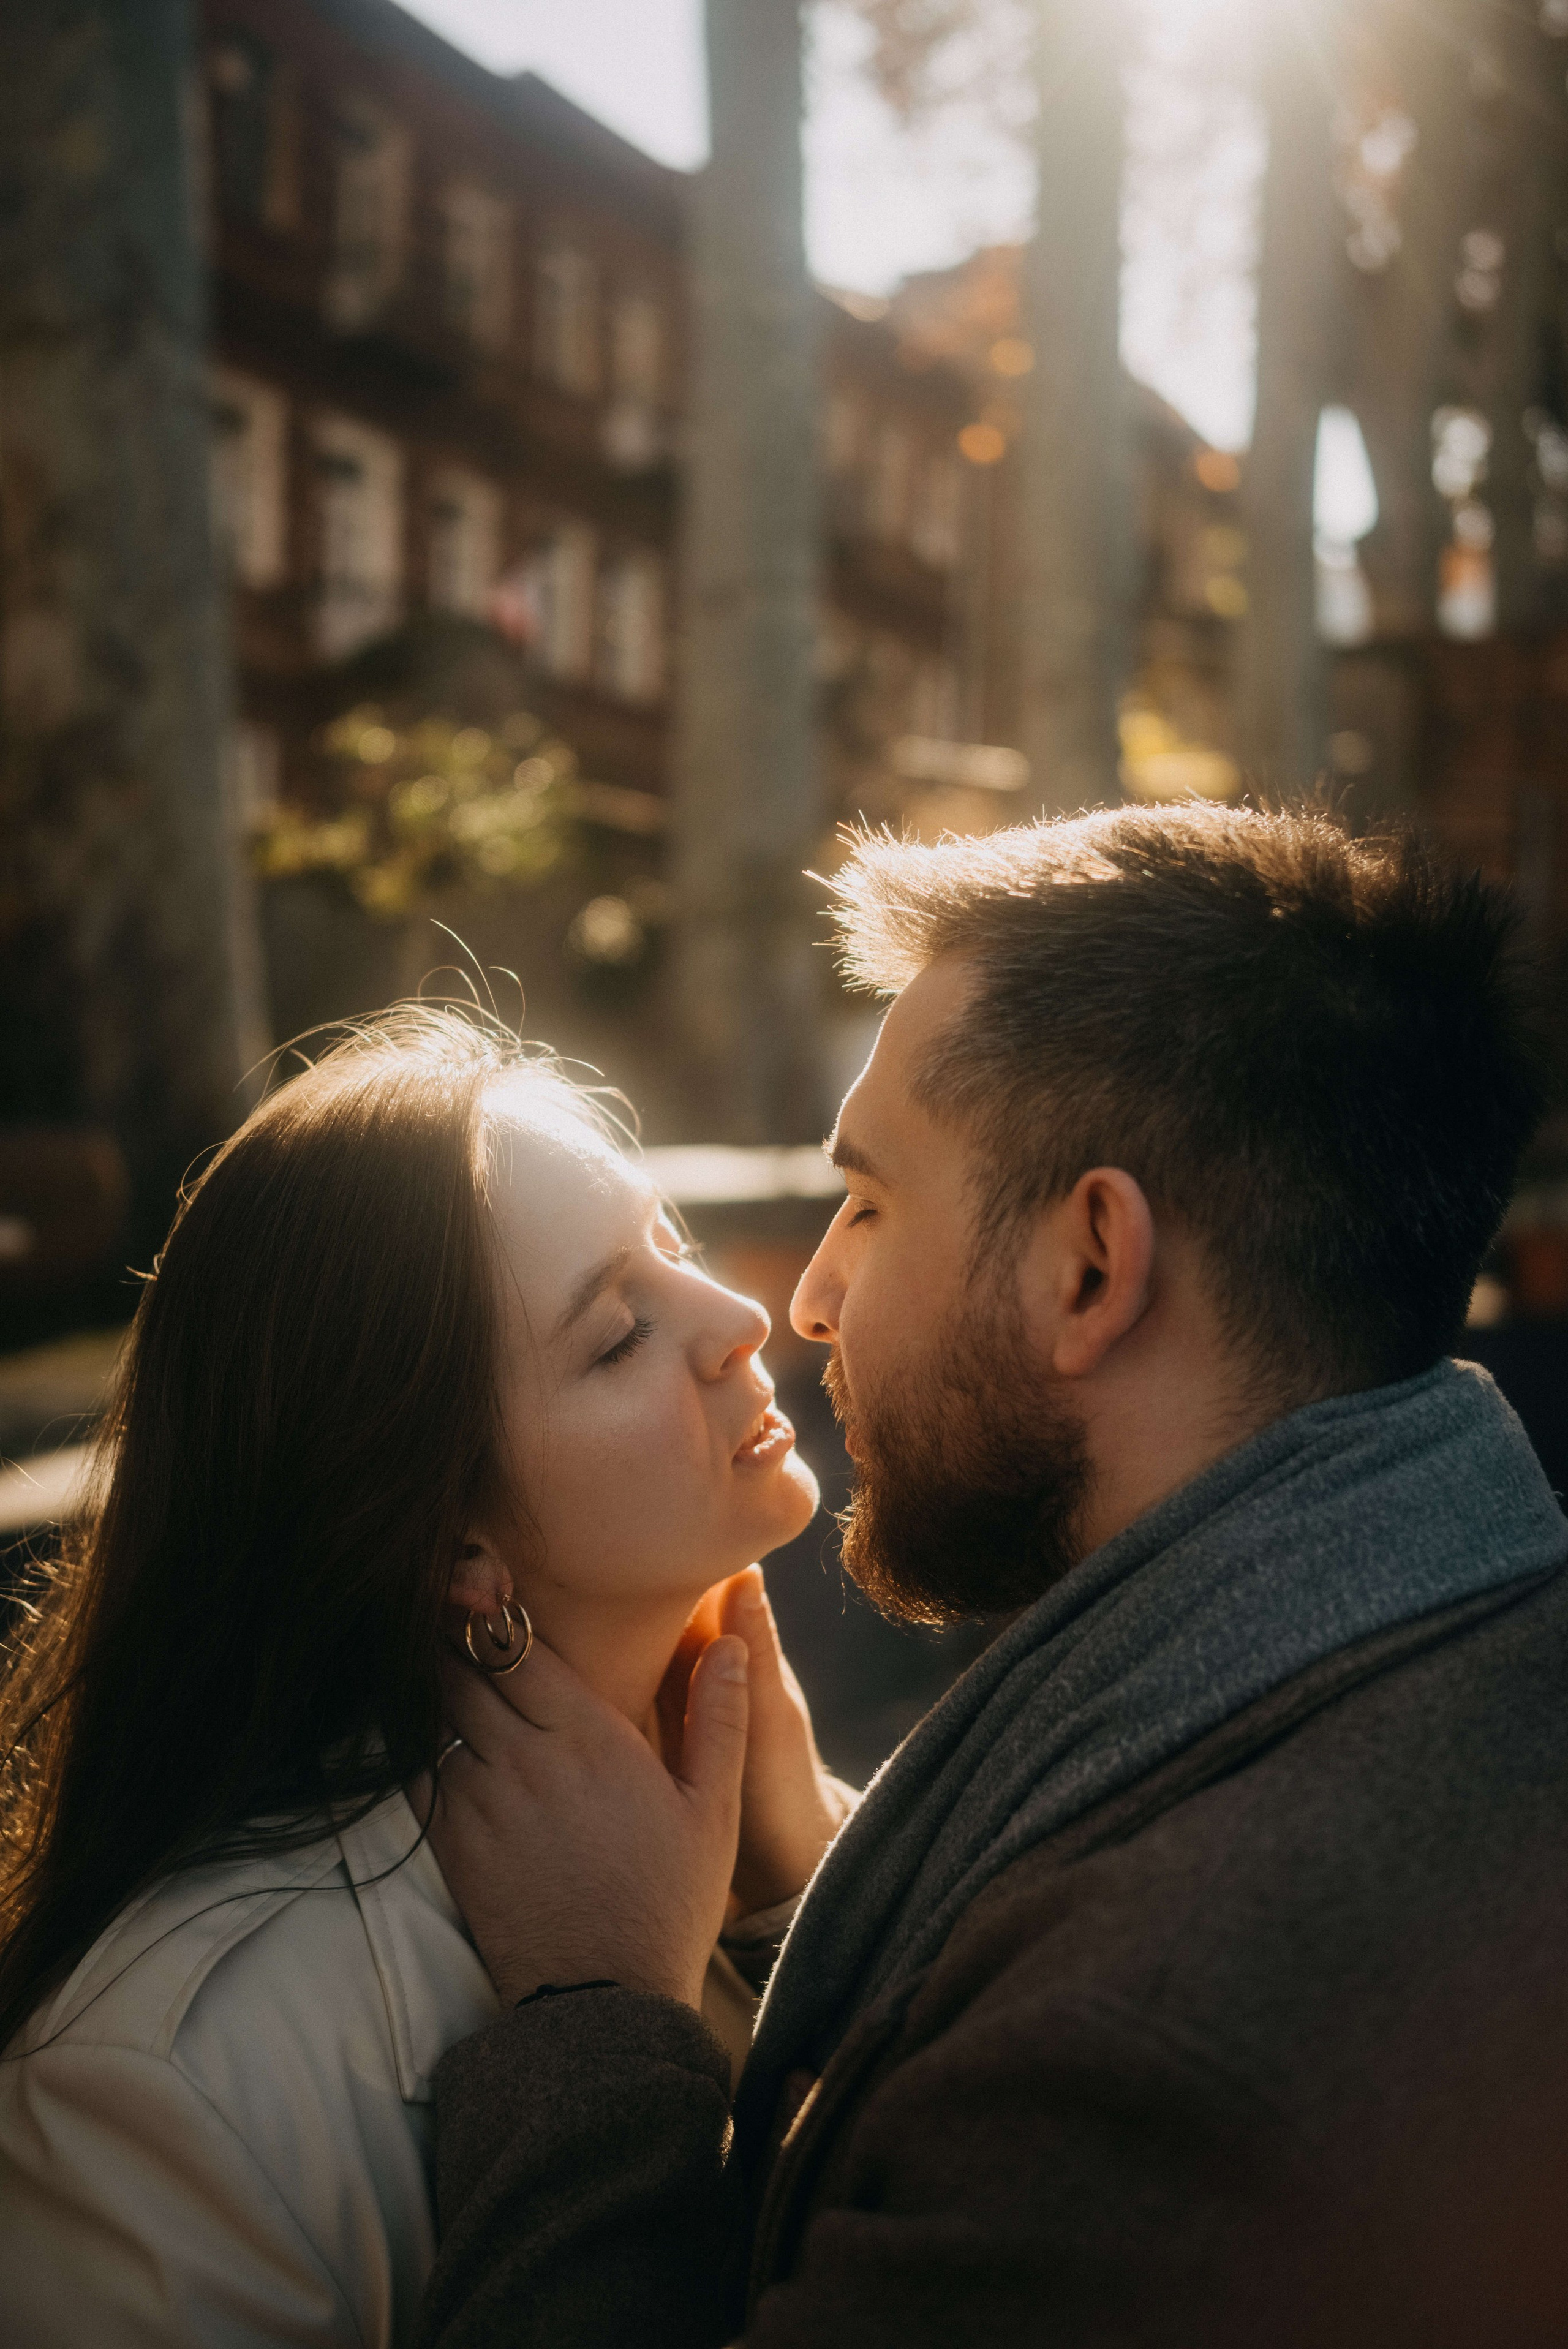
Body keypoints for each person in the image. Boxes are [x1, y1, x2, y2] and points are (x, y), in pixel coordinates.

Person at [415, 805, 1568, 2349]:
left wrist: (593, 2025)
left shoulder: (1134, 2073)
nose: (805, 1300)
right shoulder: (1477, 1659)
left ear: (1087, 1266)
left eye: (869, 1204)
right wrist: (809, 1898)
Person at [0, 1007, 850, 2347]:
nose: (743, 1317)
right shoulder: (183, 2073)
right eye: (617, 1334)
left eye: (673, 1243)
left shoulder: (769, 1820)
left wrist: (813, 1898)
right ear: (455, 1543)